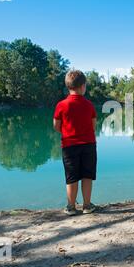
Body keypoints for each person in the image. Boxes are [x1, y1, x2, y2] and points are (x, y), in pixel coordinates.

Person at [53, 70, 97, 216]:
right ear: (83, 86)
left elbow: (56, 125)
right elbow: (93, 125)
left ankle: (71, 207)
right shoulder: (89, 105)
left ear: (68, 86)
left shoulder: (61, 105)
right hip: (88, 145)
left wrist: (67, 133)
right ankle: (87, 206)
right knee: (87, 175)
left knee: (71, 177)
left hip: (69, 146)